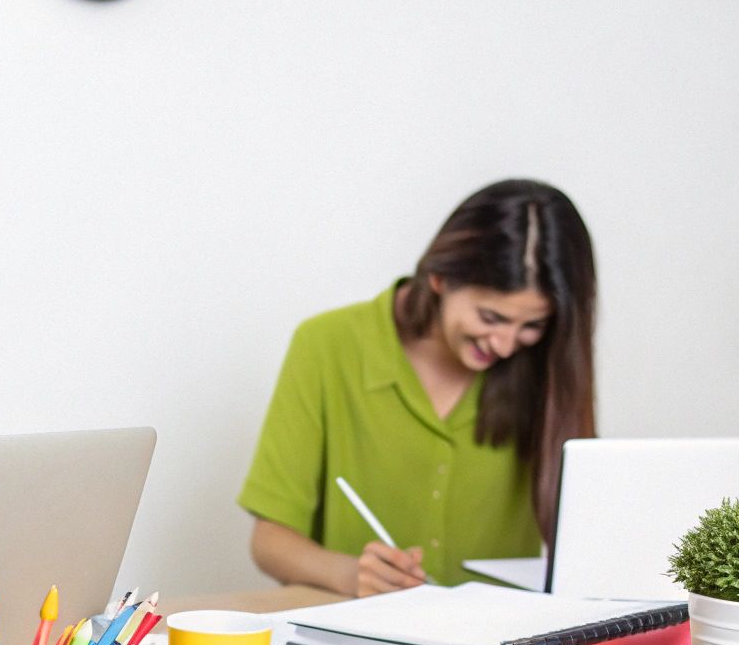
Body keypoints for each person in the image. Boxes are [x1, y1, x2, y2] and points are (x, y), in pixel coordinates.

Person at [239, 180, 597, 597]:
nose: (504, 344)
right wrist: (351, 574)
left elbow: (587, 540)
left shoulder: (545, 366)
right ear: (441, 278)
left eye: (531, 325)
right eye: (490, 317)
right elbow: (270, 542)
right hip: (363, 638)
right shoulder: (327, 345)